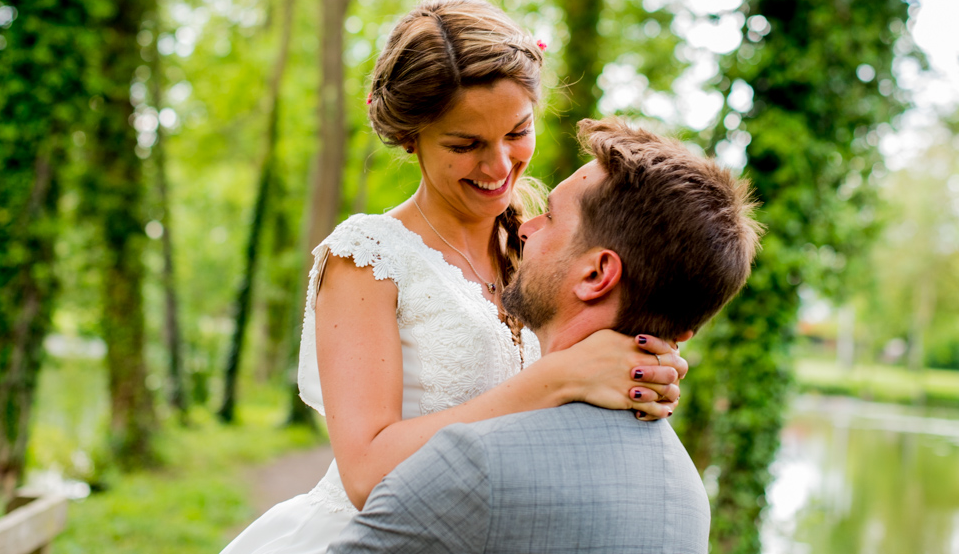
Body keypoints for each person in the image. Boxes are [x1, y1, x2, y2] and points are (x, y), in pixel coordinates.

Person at [221, 0, 687, 554]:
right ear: (409, 138)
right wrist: (557, 378)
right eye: (465, 145)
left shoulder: (541, 246)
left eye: (517, 131)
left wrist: (645, 372)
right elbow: (367, 475)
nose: (498, 167)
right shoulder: (367, 259)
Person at [327, 116, 763, 554]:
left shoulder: (476, 466)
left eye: (551, 216)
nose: (524, 227)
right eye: (466, 143)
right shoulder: (687, 493)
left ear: (596, 274)